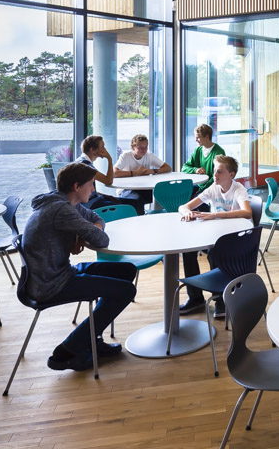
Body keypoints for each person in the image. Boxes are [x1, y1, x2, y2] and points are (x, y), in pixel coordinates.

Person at [21, 162, 136, 372]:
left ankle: (91, 338)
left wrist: (80, 233)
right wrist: (81, 233)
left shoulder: (65, 203)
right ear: (77, 186)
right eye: (91, 184)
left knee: (126, 270)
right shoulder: (61, 209)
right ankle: (67, 351)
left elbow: (97, 219)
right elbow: (101, 239)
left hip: (57, 272)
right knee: (127, 290)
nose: (93, 189)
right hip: (50, 283)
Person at [177, 155, 252, 317]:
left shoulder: (239, 189)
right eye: (214, 171)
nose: (215, 175)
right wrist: (187, 211)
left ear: (231, 175)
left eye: (219, 172)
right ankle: (195, 298)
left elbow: (247, 212)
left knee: (215, 253)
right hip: (215, 235)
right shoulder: (213, 188)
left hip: (237, 239)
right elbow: (183, 206)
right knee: (188, 251)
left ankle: (220, 300)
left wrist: (214, 215)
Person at [77, 134, 143, 214]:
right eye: (102, 147)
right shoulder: (86, 166)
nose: (105, 150)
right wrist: (109, 159)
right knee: (134, 205)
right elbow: (108, 181)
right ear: (92, 150)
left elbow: (91, 192)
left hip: (95, 200)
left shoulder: (81, 161)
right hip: (91, 205)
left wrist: (107, 196)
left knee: (135, 202)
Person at [113, 133, 171, 214]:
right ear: (132, 147)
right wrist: (136, 173)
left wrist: (153, 171)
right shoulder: (125, 156)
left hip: (143, 187)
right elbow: (114, 173)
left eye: (145, 147)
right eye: (140, 148)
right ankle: (138, 218)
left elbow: (167, 168)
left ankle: (158, 215)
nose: (143, 150)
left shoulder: (149, 155)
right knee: (137, 199)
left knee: (161, 193)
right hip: (127, 188)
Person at [182, 123, 226, 191]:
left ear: (207, 137)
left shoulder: (219, 152)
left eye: (198, 137)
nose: (196, 140)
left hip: (211, 188)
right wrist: (196, 170)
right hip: (199, 185)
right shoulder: (198, 150)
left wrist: (202, 190)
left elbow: (218, 177)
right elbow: (184, 168)